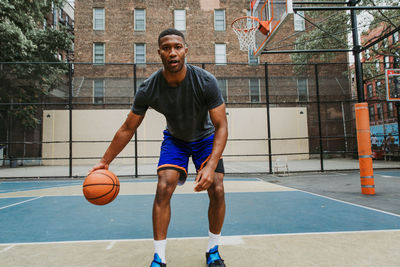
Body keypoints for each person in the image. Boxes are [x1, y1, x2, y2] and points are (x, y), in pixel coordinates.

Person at [90, 28, 228, 267]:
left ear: (186, 50)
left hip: (206, 138)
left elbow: (221, 125)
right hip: (175, 139)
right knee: (163, 187)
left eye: (177, 47)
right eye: (166, 48)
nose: (172, 52)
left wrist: (211, 164)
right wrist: (105, 161)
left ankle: (212, 250)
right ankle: (159, 258)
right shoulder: (149, 88)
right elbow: (127, 128)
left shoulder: (206, 81)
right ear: (159, 53)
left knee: (216, 187)